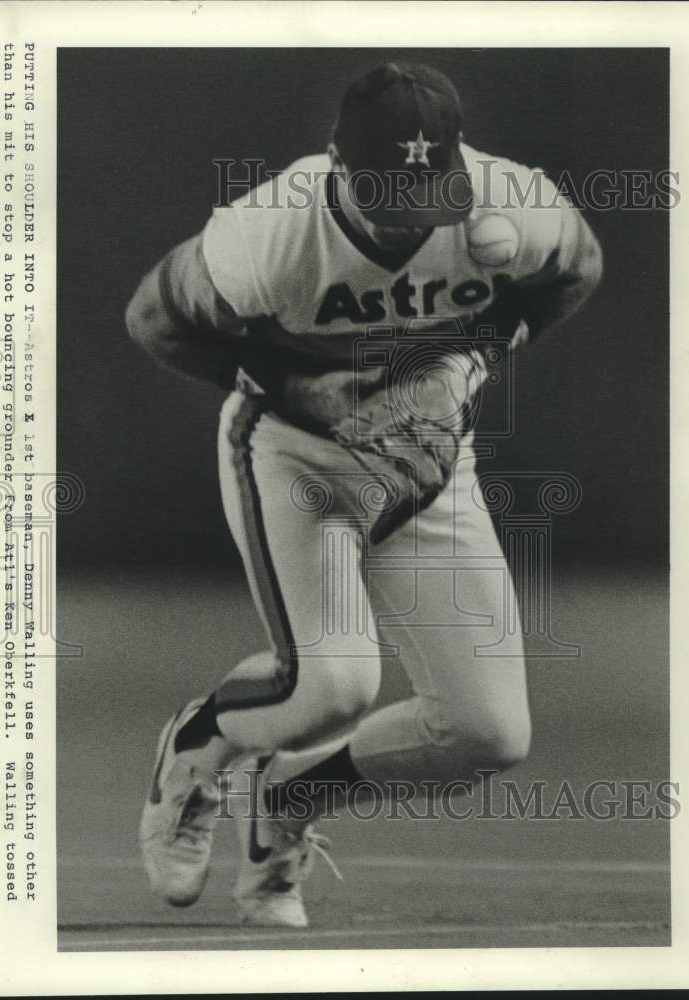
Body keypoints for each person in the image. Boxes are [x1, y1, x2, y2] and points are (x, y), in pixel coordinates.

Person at [125, 61, 603, 929]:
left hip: (428, 471)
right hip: (297, 457)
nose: (412, 210)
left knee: (488, 733)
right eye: (389, 189)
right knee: (336, 684)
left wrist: (469, 358)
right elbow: (155, 319)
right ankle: (199, 744)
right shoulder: (270, 231)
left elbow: (576, 271)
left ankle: (285, 799)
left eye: (430, 185)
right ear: (337, 164)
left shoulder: (511, 204)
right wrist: (305, 385)